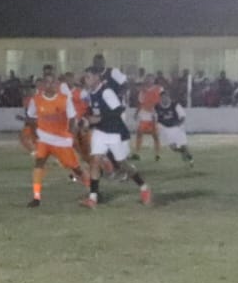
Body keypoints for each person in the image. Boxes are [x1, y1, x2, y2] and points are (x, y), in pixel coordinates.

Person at [81, 67, 151, 208]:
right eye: (86, 77)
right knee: (95, 161)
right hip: (100, 132)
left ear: (96, 78)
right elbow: (92, 110)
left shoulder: (106, 92)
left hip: (113, 132)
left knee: (122, 164)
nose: (86, 79)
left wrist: (98, 119)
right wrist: (85, 119)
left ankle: (143, 187)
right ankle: (93, 198)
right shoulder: (90, 93)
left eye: (88, 76)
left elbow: (119, 110)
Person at [23, 68, 86, 207]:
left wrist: (72, 134)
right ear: (42, 85)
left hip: (61, 140)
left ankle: (93, 190)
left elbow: (72, 118)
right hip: (44, 139)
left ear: (57, 84)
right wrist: (36, 133)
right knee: (39, 163)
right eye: (46, 83)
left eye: (52, 83)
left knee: (76, 168)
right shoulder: (36, 100)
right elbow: (31, 117)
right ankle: (36, 197)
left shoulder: (64, 99)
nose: (49, 85)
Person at [155, 89, 194, 165]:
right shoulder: (157, 107)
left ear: (168, 97)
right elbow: (155, 117)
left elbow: (183, 116)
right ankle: (183, 152)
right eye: (162, 97)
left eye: (166, 97)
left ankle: (190, 159)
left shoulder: (175, 105)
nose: (164, 99)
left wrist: (179, 125)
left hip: (177, 128)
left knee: (183, 145)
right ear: (160, 98)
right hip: (166, 129)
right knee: (173, 148)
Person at [131, 74, 163, 161]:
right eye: (147, 79)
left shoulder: (159, 89)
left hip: (154, 114)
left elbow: (163, 101)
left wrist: (160, 112)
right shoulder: (142, 91)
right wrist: (136, 113)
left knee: (155, 135)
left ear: (153, 80)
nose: (149, 81)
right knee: (139, 133)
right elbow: (140, 103)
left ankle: (157, 154)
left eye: (150, 79)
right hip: (144, 114)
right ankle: (137, 153)